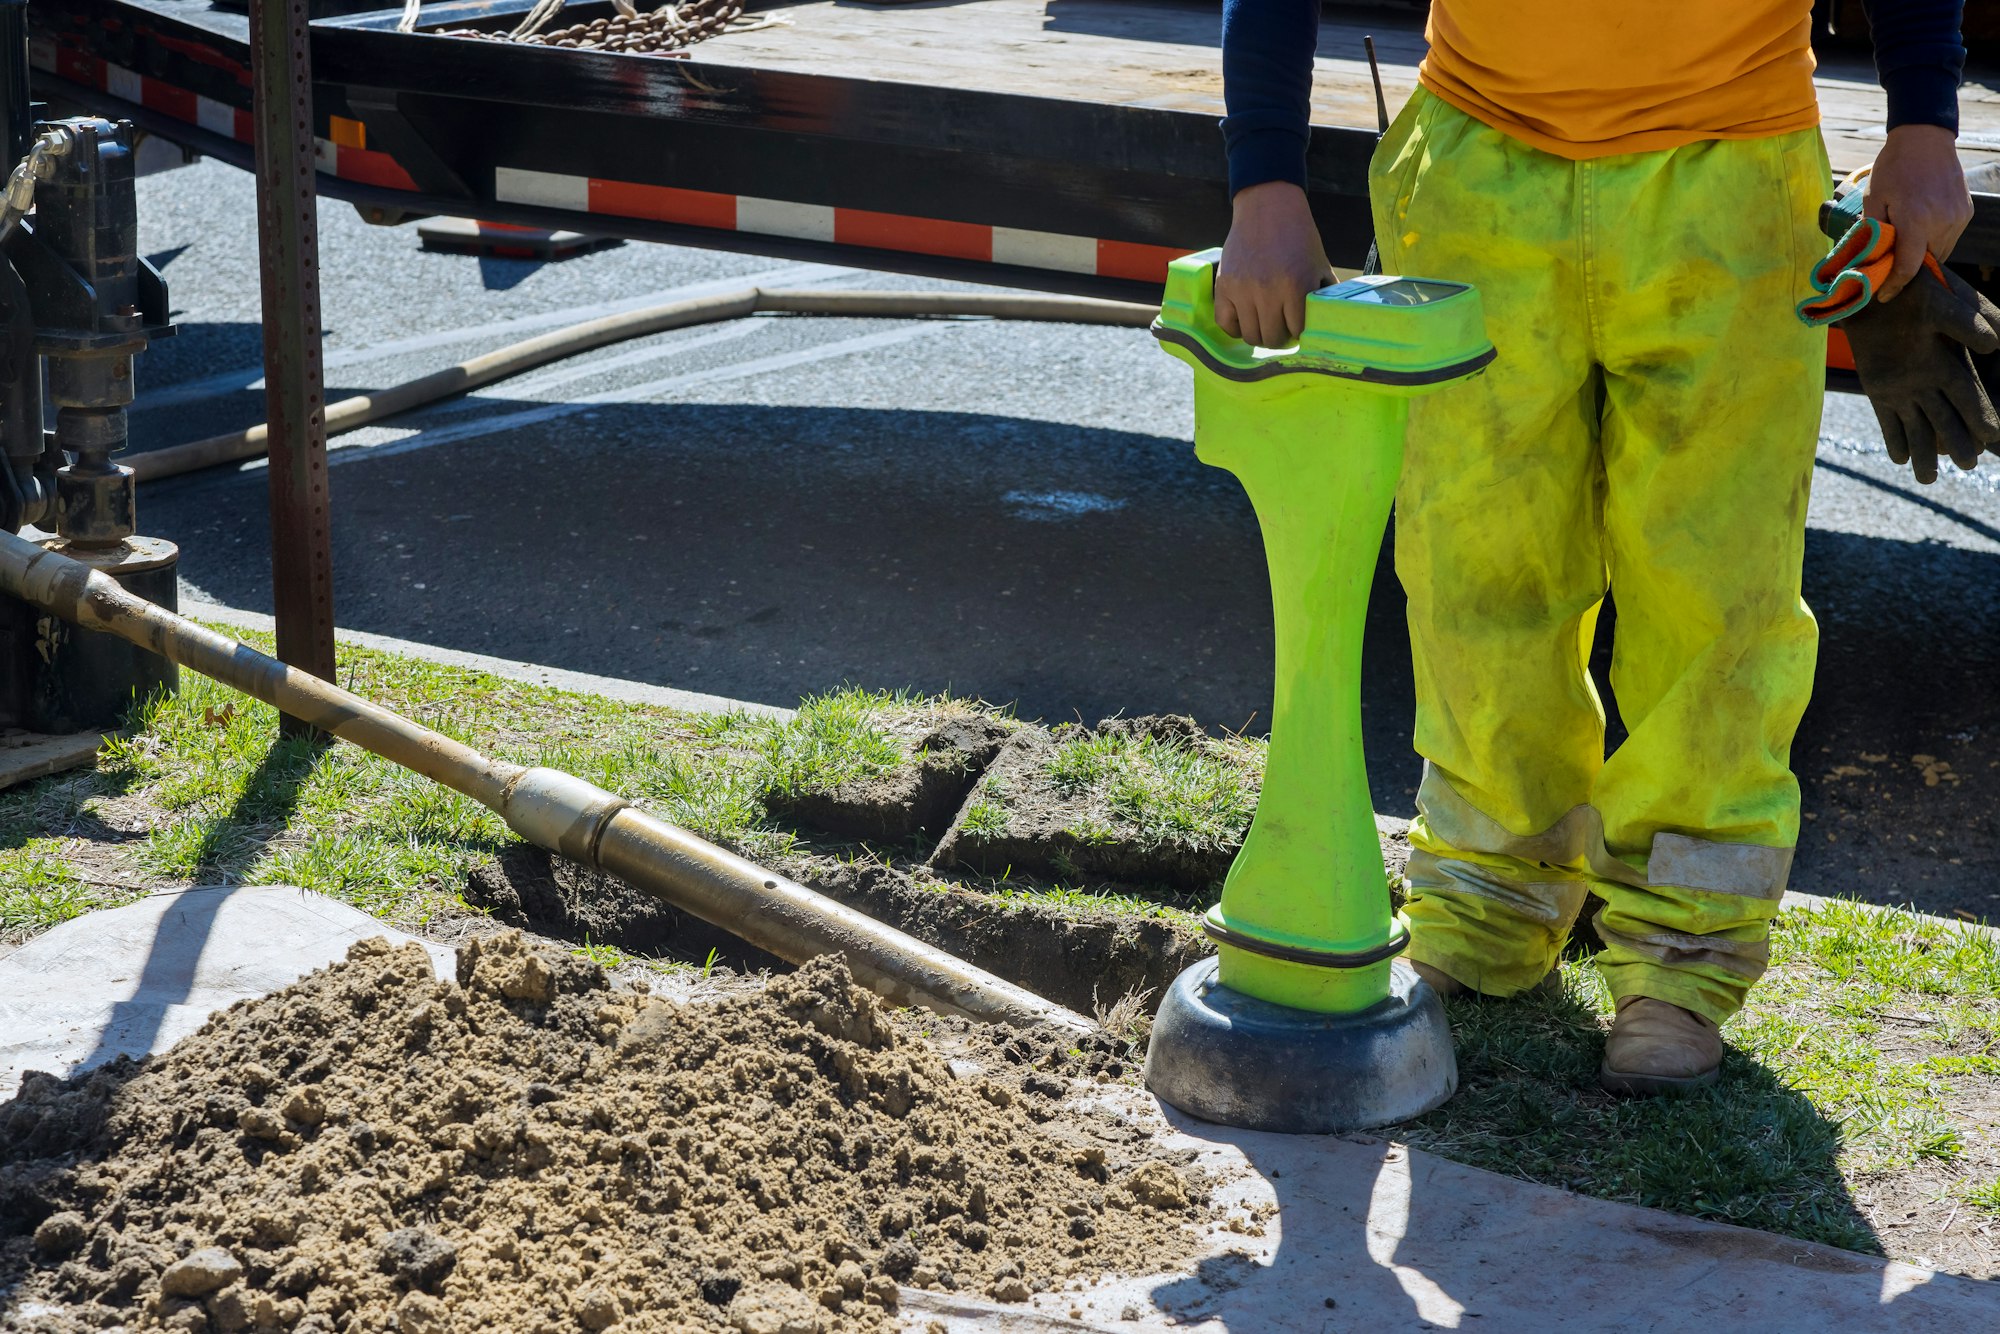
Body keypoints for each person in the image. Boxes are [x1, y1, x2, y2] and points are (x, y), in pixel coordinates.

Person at [1215, 1, 1973, 1093]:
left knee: (1715, 587)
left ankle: (1681, 953)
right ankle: (1484, 900)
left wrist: (1922, 124)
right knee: (1476, 561)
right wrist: (1264, 179)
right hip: (1478, 165)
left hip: (1730, 175)